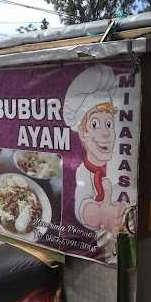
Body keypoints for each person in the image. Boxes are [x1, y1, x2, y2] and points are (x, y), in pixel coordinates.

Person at [64, 64, 127, 235]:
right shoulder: (83, 172)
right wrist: (102, 215)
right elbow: (82, 206)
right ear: (82, 133)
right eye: (94, 124)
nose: (106, 133)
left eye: (109, 124)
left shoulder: (120, 162)